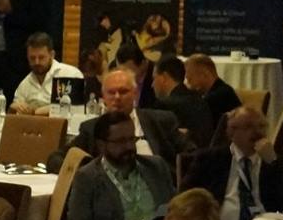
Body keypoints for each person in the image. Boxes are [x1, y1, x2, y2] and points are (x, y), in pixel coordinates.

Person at [182, 106, 283, 220]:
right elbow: (184, 196)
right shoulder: (210, 159)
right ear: (231, 132)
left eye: (262, 126)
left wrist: (273, 163)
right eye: (249, 126)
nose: (258, 132)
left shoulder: (275, 163)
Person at [64, 110, 177, 220]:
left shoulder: (156, 167)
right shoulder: (87, 178)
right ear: (101, 145)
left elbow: (174, 210)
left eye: (131, 139)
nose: (129, 146)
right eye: (121, 141)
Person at [51, 69, 185, 172]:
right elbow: (56, 159)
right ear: (103, 96)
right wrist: (86, 173)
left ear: (135, 94)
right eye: (111, 92)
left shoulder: (161, 121)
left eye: (123, 91)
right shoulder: (91, 128)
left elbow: (190, 155)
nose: (117, 97)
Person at [150, 55, 215, 149]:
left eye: (154, 78)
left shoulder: (163, 106)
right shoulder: (199, 99)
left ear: (164, 77)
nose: (152, 85)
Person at [7, 32, 82, 114]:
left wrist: (37, 112)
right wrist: (13, 107)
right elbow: (13, 113)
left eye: (41, 57)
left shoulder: (71, 74)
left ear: (52, 55)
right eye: (32, 58)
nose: (37, 62)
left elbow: (76, 108)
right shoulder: (25, 84)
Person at [183, 53, 242, 124]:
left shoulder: (219, 95)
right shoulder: (217, 90)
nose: (188, 84)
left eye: (190, 79)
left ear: (205, 74)